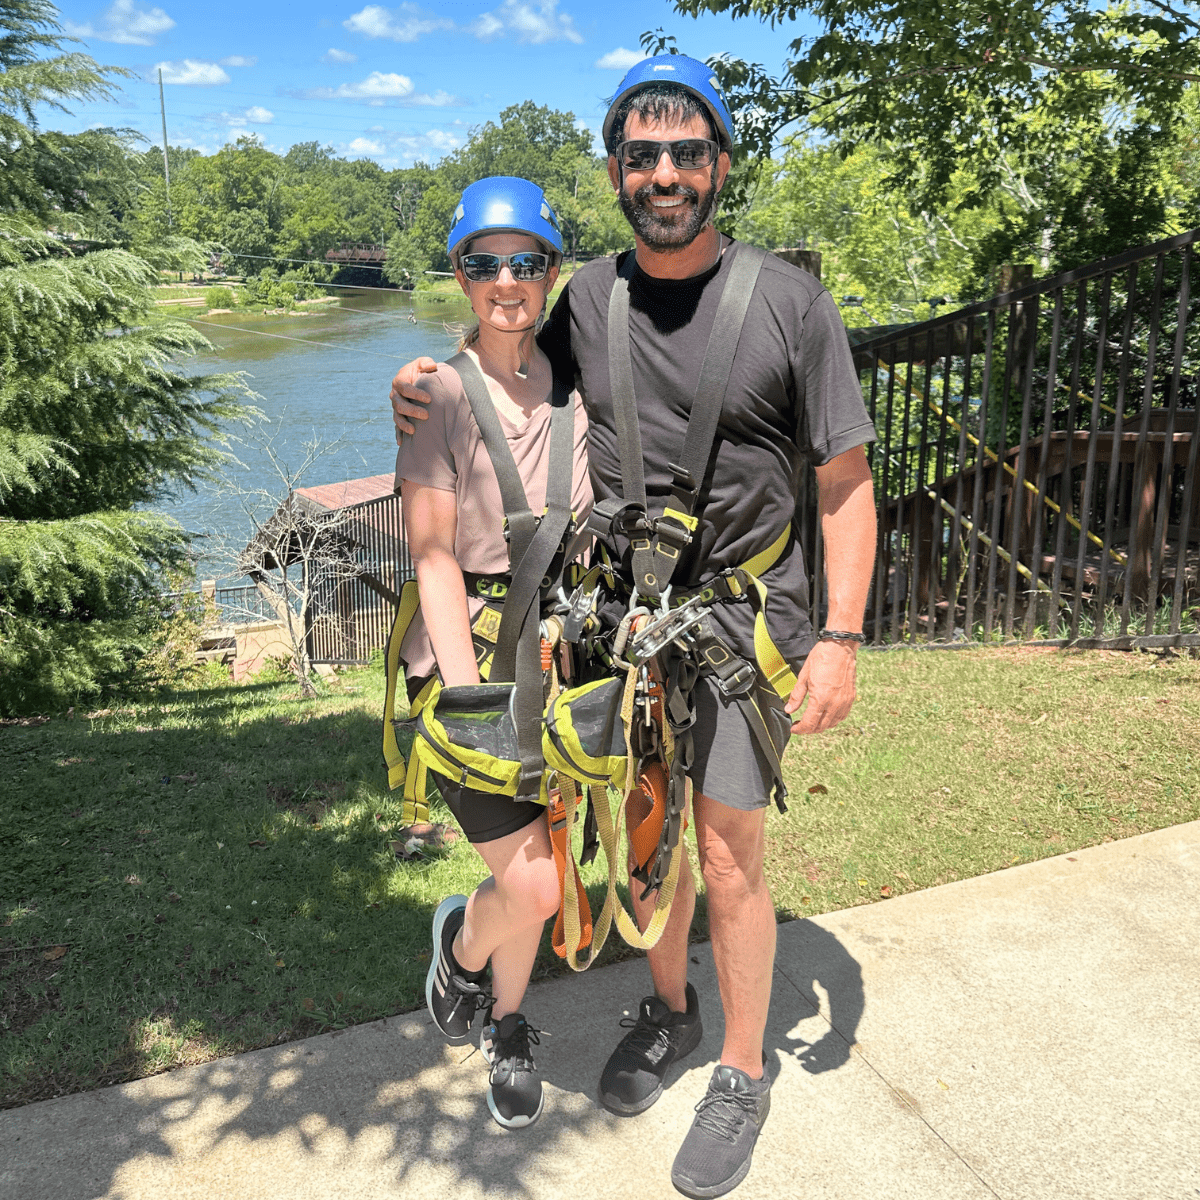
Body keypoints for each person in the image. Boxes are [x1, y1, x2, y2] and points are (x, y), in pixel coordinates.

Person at [390, 56, 877, 1198]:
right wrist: (416, 391)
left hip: (748, 628)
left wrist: (843, 635)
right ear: (615, 172)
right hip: (623, 624)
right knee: (647, 837)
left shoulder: (791, 305)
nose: (666, 174)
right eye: (643, 155)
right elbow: (502, 384)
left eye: (687, 152)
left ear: (718, 164)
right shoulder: (590, 298)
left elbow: (845, 482)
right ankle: (669, 1009)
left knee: (728, 852)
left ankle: (744, 1071)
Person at [395, 176, 592, 1131]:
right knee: (535, 883)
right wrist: (471, 702)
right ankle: (459, 957)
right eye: (485, 264)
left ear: (551, 270)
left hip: (563, 663)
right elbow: (433, 555)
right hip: (470, 662)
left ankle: (506, 1024)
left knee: (542, 864)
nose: (506, 281)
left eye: (525, 261)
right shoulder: (437, 397)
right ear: (462, 279)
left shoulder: (580, 382)